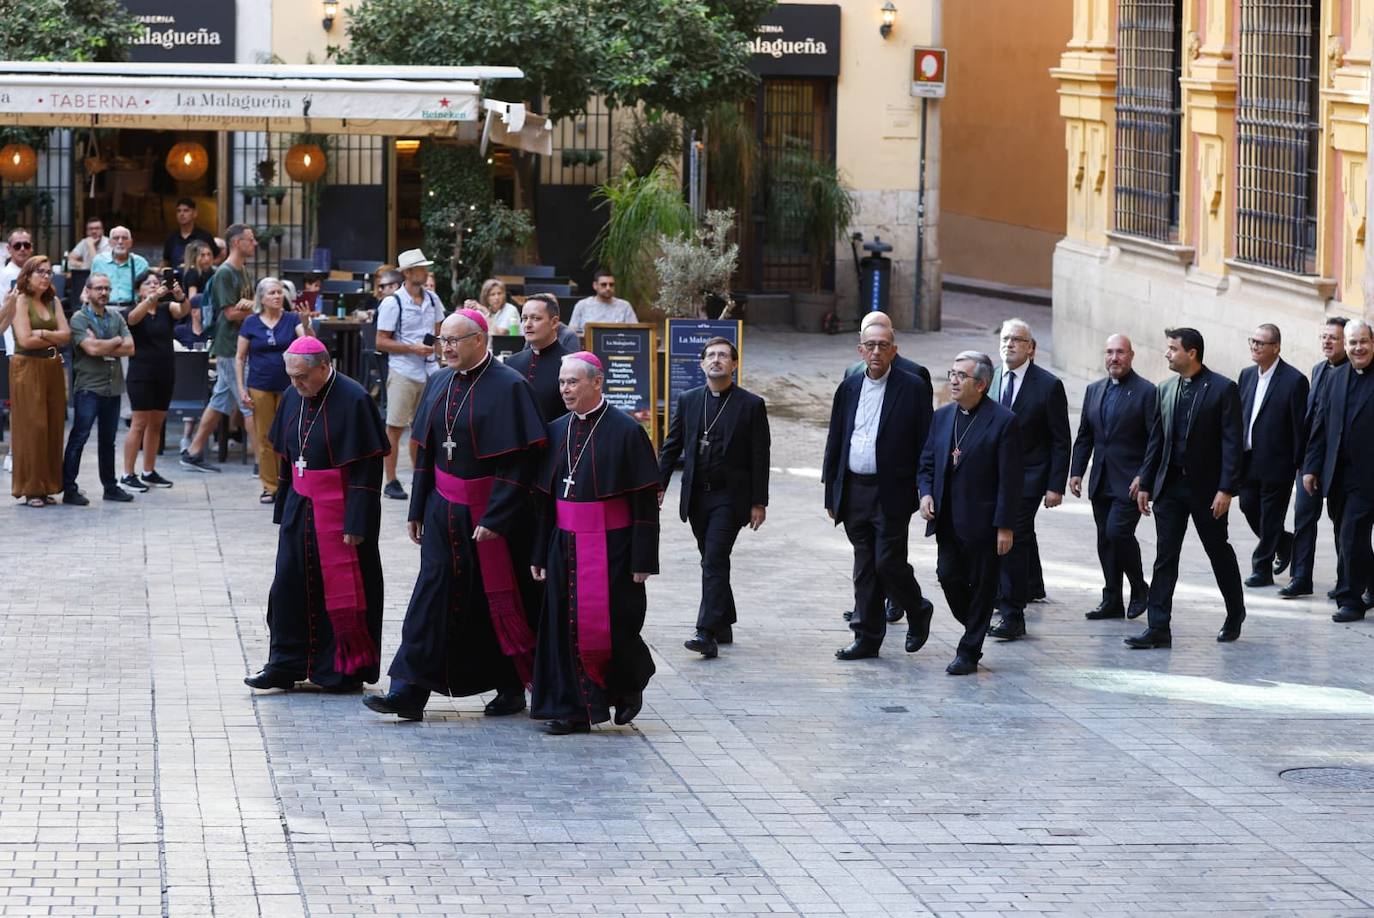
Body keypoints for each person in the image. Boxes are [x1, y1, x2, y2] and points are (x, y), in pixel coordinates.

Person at [365, 310, 549, 722]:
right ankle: (408, 691)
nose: (444, 347)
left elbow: (519, 462)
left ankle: (510, 687)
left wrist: (497, 516)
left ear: (480, 340)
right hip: (443, 510)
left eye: (453, 340)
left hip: (491, 517)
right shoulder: (439, 381)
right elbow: (428, 450)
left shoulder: (510, 387)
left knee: (496, 599)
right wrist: (416, 507)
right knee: (429, 598)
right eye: (441, 340)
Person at [244, 336, 390, 692]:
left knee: (343, 592)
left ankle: (343, 668)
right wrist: (283, 509)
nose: (295, 385)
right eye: (291, 377)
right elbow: (286, 456)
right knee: (288, 587)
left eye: (303, 377)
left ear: (324, 367)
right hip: (300, 506)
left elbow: (367, 469)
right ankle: (284, 664)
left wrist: (357, 523)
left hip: (340, 512)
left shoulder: (355, 399)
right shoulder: (294, 394)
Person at [529, 352, 660, 734]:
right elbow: (544, 503)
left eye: (573, 382)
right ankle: (573, 709)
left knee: (616, 627)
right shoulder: (556, 430)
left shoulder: (627, 431)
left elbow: (643, 503)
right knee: (563, 627)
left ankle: (629, 683)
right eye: (562, 383)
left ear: (596, 382)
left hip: (612, 547)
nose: (565, 389)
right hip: (564, 544)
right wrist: (539, 550)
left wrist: (643, 558)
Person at [821, 322, 935, 660]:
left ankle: (917, 608)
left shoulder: (912, 387)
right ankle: (867, 637)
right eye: (869, 345)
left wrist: (925, 487)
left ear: (894, 351)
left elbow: (925, 442)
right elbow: (836, 441)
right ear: (860, 350)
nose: (876, 352)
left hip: (892, 491)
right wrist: (832, 493)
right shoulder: (849, 387)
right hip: (855, 488)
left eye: (883, 345)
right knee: (864, 566)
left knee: (887, 562)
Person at [1130, 327, 1247, 648]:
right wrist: (1146, 481)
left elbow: (1232, 444)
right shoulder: (1164, 389)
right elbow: (1156, 441)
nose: (1167, 354)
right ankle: (1158, 628)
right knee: (1165, 556)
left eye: (1172, 349)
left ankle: (1235, 612)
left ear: (1191, 353)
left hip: (1208, 491)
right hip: (1169, 487)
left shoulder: (1223, 389)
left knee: (1217, 551)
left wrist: (1226, 489)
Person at [658, 337, 770, 658]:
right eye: (711, 356)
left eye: (724, 356)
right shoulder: (689, 399)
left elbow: (760, 456)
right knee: (711, 559)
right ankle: (723, 621)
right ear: (702, 363)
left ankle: (705, 632)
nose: (717, 360)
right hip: (697, 497)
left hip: (730, 498)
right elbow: (672, 445)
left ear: (734, 365)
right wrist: (658, 484)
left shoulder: (751, 404)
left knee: (715, 558)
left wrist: (758, 502)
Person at [918, 352, 1022, 675]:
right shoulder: (943, 416)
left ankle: (969, 651)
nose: (953, 380)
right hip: (947, 518)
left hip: (984, 523)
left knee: (982, 584)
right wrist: (924, 494)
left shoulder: (1004, 421)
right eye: (952, 373)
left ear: (981, 384)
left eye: (961, 376)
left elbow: (1010, 478)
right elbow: (927, 463)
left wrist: (1005, 526)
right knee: (948, 576)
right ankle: (975, 622)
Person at [987, 319, 1070, 640]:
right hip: (992, 475)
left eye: (1017, 340)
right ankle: (1027, 586)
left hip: (1029, 477)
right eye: (1005, 339)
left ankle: (1012, 614)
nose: (1009, 344)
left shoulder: (1048, 385)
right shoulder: (989, 377)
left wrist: (1055, 485)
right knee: (1012, 535)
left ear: (1031, 348)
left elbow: (1061, 439)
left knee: (1012, 537)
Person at [1068, 334, 1156, 619]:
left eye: (1120, 352)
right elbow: (1084, 436)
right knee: (1104, 539)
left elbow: (1157, 439)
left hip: (1130, 481)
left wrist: (1145, 475)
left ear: (1131, 355)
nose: (1114, 358)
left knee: (1118, 532)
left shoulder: (1146, 392)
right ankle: (1112, 599)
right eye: (1109, 352)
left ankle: (1140, 587)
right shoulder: (1094, 390)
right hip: (1101, 479)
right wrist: (1076, 471)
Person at [1302, 320, 1374, 623]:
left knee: (1351, 534)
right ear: (1346, 346)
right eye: (1353, 342)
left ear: (1373, 343)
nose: (1358, 348)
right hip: (1338, 474)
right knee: (1346, 534)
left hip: (1368, 474)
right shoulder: (1335, 378)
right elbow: (1320, 425)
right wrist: (1311, 467)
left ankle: (1350, 599)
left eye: (1363, 342)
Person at [180, 224, 258, 472]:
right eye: (250, 239)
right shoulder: (226, 273)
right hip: (230, 346)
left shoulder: (242, 270)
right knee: (248, 403)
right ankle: (262, 463)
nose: (254, 243)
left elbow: (246, 305)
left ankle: (193, 452)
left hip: (238, 344)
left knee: (219, 400)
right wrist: (256, 308)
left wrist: (252, 305)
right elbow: (232, 312)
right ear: (237, 242)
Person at [1236, 324, 1309, 588]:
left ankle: (1262, 568)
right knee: (1247, 505)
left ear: (1276, 347)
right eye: (1252, 341)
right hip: (1248, 459)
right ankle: (1282, 541)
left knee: (1270, 514)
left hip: (1278, 463)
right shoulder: (1246, 376)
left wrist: (1300, 463)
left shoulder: (1294, 380)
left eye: (1261, 343)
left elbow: (1299, 426)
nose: (1255, 347)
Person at [1282, 317, 1348, 598]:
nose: (1327, 341)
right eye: (1324, 336)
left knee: (1342, 525)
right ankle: (1300, 577)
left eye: (1334, 337)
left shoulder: (1352, 374)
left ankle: (1347, 580)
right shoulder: (1318, 369)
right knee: (1303, 519)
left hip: (1338, 462)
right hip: (1310, 458)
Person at [237, 277, 314, 503]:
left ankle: (292, 484)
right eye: (272, 293)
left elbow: (311, 346)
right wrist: (242, 389)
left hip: (290, 386)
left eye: (280, 292)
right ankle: (270, 486)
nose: (278, 296)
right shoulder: (251, 322)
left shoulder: (291, 319)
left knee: (292, 436)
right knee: (265, 437)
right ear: (261, 297)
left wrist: (307, 323)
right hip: (259, 385)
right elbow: (240, 357)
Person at [376, 249, 444, 500]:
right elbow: (381, 341)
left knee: (424, 428)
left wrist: (439, 353)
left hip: (430, 370)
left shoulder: (434, 300)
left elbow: (439, 332)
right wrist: (412, 348)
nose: (426, 272)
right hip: (403, 370)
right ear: (408, 273)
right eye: (421, 268)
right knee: (394, 426)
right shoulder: (393, 302)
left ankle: (421, 476)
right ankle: (391, 480)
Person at [62, 273, 135, 505]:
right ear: (89, 291)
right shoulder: (79, 319)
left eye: (107, 289)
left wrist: (103, 344)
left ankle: (110, 487)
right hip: (89, 388)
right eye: (99, 289)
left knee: (108, 440)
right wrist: (115, 342)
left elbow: (131, 348)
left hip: (112, 388)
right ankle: (69, 489)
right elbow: (90, 349)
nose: (103, 293)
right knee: (79, 437)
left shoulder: (116, 317)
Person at [7, 257, 70, 507]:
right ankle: (31, 488)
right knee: (34, 427)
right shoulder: (20, 300)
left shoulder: (53, 301)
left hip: (52, 367)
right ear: (28, 275)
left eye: (48, 273)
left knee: (53, 425)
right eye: (40, 272)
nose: (45, 277)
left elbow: (66, 336)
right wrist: (52, 338)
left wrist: (43, 333)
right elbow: (24, 339)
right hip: (27, 367)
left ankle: (49, 485)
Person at [119, 268, 188, 493]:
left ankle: (148, 471)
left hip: (165, 371)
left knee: (157, 423)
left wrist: (180, 295)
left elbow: (183, 310)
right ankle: (127, 474)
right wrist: (152, 297)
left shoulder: (166, 309)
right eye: (148, 283)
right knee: (139, 423)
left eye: (156, 282)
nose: (153, 285)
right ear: (138, 289)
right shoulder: (133, 310)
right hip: (141, 373)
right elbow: (132, 319)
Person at [504, 293, 572, 422]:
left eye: (535, 318)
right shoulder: (511, 363)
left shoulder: (571, 364)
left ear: (554, 322)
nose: (527, 324)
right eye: (524, 318)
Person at [90, 226, 149, 310]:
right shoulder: (99, 261)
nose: (120, 242)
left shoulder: (140, 263)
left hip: (132, 309)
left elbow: (147, 291)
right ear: (110, 242)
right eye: (116, 238)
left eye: (124, 238)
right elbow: (90, 288)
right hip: (104, 308)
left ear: (130, 242)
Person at [567, 269, 636, 333]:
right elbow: (572, 333)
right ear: (595, 285)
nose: (608, 288)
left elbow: (636, 332)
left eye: (611, 285)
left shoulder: (625, 306)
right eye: (604, 284)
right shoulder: (582, 305)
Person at [161, 198, 219, 268]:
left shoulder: (204, 236)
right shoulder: (171, 238)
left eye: (186, 211)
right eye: (179, 211)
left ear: (194, 214)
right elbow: (165, 262)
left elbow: (218, 257)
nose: (181, 214)